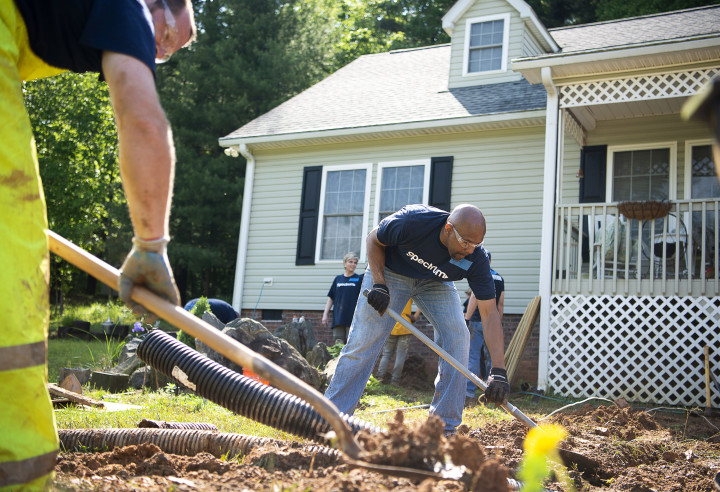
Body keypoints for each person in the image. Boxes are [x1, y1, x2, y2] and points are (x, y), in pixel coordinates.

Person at [0, 1, 195, 488]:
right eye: (168, 42)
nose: (158, 55)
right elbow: (144, 122)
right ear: (159, 8)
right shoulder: (126, 5)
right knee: (11, 288)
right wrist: (151, 245)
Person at [324, 204, 510, 436]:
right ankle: (330, 419)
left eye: (476, 245)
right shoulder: (413, 222)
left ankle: (443, 429)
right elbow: (374, 239)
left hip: (435, 282)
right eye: (466, 243)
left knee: (458, 336)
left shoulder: (476, 258)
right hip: (391, 271)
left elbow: (489, 314)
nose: (471, 250)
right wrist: (380, 283)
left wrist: (499, 370)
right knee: (364, 341)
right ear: (449, 228)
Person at [465, 252, 505, 406]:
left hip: (476, 320)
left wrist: (467, 318)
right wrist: (497, 324)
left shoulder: (480, 273)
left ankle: (469, 393)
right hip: (491, 323)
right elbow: (500, 304)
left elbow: (474, 297)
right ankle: (491, 392)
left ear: (484, 260)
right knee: (492, 359)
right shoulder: (499, 278)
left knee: (473, 356)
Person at [322, 252, 363, 344]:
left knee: (351, 344)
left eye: (355, 262)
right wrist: (325, 314)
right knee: (338, 343)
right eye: (350, 262)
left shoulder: (359, 279)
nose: (353, 264)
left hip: (353, 318)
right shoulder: (338, 279)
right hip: (338, 317)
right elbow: (331, 298)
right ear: (345, 263)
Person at [376, 300, 421, 385]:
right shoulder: (409, 290)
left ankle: (379, 378)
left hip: (391, 326)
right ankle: (395, 381)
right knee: (401, 356)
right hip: (405, 326)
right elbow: (421, 303)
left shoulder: (390, 292)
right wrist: (415, 316)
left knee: (386, 354)